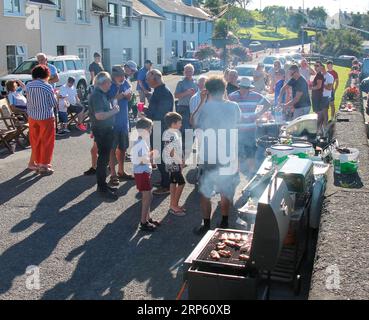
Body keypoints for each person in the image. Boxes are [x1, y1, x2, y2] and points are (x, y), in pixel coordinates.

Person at [192, 76, 241, 235]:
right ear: (224, 89)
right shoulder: (234, 106)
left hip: (209, 156)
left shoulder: (206, 108)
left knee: (205, 191)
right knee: (225, 189)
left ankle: (206, 225)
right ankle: (225, 222)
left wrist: (202, 101)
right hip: (228, 155)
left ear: (208, 91)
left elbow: (193, 122)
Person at [229, 77, 271, 175]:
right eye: (243, 87)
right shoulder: (232, 96)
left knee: (251, 150)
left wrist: (258, 114)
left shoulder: (255, 96)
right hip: (237, 128)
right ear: (239, 87)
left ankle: (251, 170)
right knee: (237, 150)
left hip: (250, 128)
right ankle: (236, 170)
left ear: (249, 88)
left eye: (246, 88)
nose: (244, 90)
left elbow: (268, 104)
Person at [89, 71, 120, 200]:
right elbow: (99, 116)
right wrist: (113, 111)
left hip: (104, 129)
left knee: (104, 159)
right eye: (109, 82)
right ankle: (101, 188)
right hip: (102, 130)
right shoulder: (97, 95)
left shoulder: (100, 93)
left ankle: (103, 185)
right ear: (104, 83)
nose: (111, 84)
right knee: (103, 160)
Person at [145, 69, 174, 195]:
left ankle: (166, 185)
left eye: (148, 79)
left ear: (155, 79)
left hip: (160, 128)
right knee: (159, 157)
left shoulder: (163, 92)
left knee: (161, 157)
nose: (147, 82)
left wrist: (147, 112)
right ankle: (164, 181)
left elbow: (161, 114)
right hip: (159, 127)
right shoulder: (159, 91)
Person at [26, 65, 58, 175]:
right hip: (45, 117)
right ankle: (44, 165)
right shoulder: (47, 86)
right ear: (46, 74)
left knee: (36, 141)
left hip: (32, 116)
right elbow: (53, 103)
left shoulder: (29, 85)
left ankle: (38, 162)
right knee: (47, 141)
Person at [131, 117, 160, 232]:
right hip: (141, 172)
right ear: (147, 129)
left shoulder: (140, 140)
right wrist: (153, 155)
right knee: (147, 197)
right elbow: (141, 159)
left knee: (149, 196)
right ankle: (143, 222)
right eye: (150, 129)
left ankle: (148, 218)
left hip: (143, 171)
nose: (151, 131)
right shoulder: (140, 142)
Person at [107, 65, 135, 186]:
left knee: (123, 148)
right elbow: (104, 102)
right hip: (112, 122)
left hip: (124, 122)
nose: (123, 77)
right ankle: (113, 174)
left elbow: (129, 97)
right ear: (114, 76)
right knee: (112, 149)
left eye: (124, 75)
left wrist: (129, 97)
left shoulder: (125, 83)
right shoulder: (107, 85)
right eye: (120, 75)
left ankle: (121, 171)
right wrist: (115, 98)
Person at [163, 112, 186, 217]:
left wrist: (182, 158)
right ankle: (174, 206)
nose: (181, 124)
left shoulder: (175, 132)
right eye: (179, 122)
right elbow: (171, 150)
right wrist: (180, 161)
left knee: (173, 181)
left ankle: (173, 204)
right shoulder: (169, 134)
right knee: (181, 182)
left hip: (174, 161)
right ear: (173, 123)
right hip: (172, 162)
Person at [175, 64, 198, 134]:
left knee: (193, 127)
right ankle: (185, 143)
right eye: (186, 71)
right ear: (184, 72)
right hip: (184, 107)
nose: (188, 73)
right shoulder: (181, 83)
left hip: (194, 107)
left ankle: (191, 143)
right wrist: (186, 92)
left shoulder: (196, 82)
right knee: (184, 127)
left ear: (193, 72)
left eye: (190, 71)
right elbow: (176, 95)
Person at [311, 61, 325, 132]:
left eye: (317, 66)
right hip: (316, 97)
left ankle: (318, 130)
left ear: (321, 67)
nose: (315, 67)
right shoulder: (317, 75)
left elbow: (319, 86)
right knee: (318, 113)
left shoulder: (319, 75)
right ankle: (321, 130)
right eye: (315, 65)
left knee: (319, 114)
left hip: (318, 97)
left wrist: (311, 88)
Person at [320, 63, 334, 134]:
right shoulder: (319, 76)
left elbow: (329, 88)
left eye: (320, 68)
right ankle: (321, 129)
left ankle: (325, 129)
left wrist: (322, 84)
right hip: (319, 97)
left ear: (323, 68)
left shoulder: (329, 76)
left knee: (324, 113)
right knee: (319, 114)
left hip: (326, 97)